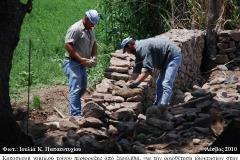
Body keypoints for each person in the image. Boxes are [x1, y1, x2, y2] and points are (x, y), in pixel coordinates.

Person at [121, 37, 182, 109]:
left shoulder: (143, 48)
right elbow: (137, 69)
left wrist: (136, 82)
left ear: (129, 45)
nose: (128, 52)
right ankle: (157, 105)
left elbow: (148, 71)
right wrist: (129, 83)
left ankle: (163, 106)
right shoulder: (138, 51)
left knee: (166, 82)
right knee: (159, 83)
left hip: (173, 56)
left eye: (126, 50)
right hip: (164, 59)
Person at [63, 9, 100, 116]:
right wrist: (80, 59)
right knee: (75, 89)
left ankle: (73, 106)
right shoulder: (76, 28)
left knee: (83, 87)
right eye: (92, 23)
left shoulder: (90, 29)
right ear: (87, 19)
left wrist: (94, 57)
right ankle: (75, 115)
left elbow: (94, 44)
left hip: (82, 64)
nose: (93, 25)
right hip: (73, 63)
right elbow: (67, 45)